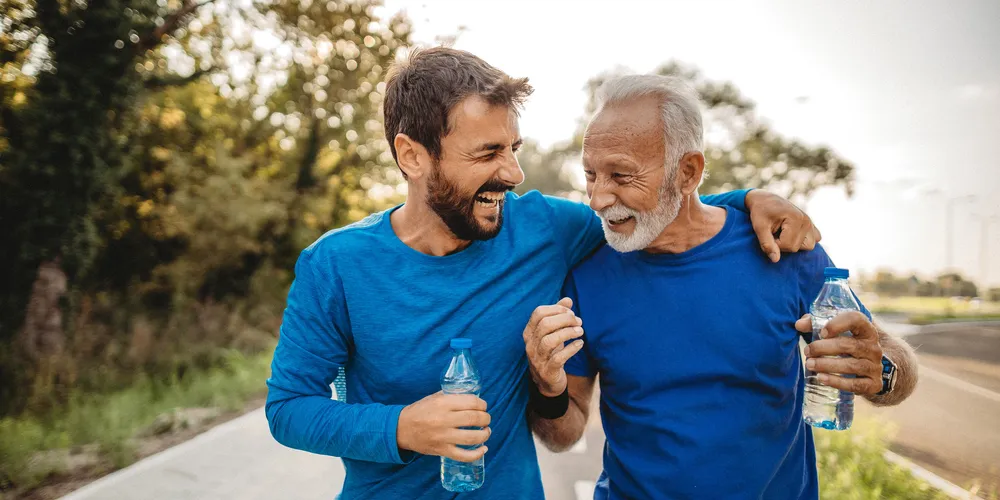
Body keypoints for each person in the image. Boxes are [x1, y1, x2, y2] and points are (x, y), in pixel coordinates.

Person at [265, 48, 821, 499]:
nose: (513, 173)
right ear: (413, 156)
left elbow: (655, 210)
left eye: (514, 148)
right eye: (487, 153)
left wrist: (748, 200)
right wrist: (401, 428)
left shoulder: (545, 229)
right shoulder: (335, 264)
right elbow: (289, 408)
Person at [524, 74, 919, 500]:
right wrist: (548, 386)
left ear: (687, 172)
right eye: (590, 174)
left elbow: (891, 361)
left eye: (621, 175)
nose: (598, 198)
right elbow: (564, 435)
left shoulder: (783, 249)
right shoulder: (587, 274)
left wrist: (882, 372)